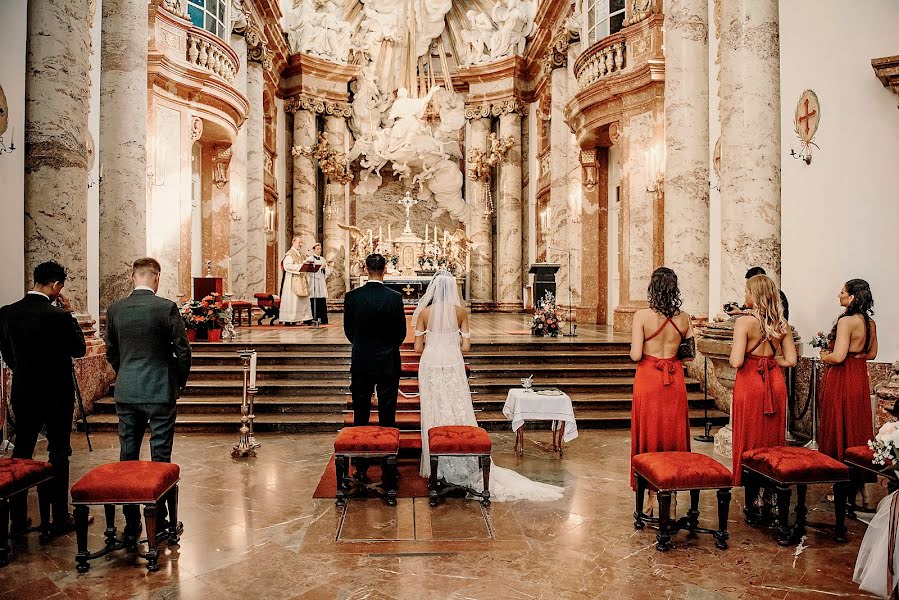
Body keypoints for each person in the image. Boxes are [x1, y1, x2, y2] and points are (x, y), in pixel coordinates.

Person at [413, 270, 564, 501]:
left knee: (434, 409)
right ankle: (461, 456)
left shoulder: (424, 312)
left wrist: (435, 343)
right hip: (453, 362)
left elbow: (417, 348)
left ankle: (437, 463)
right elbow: (466, 347)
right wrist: (451, 343)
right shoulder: (460, 312)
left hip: (431, 364)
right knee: (458, 407)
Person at [104, 258, 191, 543]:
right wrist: (177, 382)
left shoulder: (115, 309)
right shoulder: (166, 308)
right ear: (156, 278)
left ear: (133, 277)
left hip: (127, 391)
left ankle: (130, 524)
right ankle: (161, 521)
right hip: (160, 389)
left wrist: (125, 374)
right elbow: (183, 350)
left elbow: (111, 351)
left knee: (127, 454)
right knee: (160, 456)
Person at [0, 261, 86, 535]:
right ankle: (59, 518)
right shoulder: (59, 316)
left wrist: (25, 373)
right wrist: (70, 315)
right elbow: (79, 350)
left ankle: (17, 520)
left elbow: (7, 353)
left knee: (22, 451)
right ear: (56, 286)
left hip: (24, 392)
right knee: (58, 452)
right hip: (57, 394)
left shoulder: (8, 313)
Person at [629, 268, 692, 496]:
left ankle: (650, 494)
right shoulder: (684, 318)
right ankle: (672, 491)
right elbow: (689, 355)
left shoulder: (641, 316)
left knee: (649, 432)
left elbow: (636, 355)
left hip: (648, 379)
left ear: (652, 288)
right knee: (672, 433)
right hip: (675, 379)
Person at [730, 274, 797, 487]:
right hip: (774, 382)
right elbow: (791, 360)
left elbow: (736, 361)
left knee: (750, 434)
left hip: (750, 382)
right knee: (771, 437)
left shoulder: (744, 322)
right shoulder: (782, 324)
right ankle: (769, 485)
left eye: (748, 291)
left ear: (756, 296)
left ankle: (750, 484)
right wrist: (770, 360)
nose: (745, 295)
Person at [343, 254, 407, 429]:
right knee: (388, 405)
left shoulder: (352, 296)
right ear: (385, 270)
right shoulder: (394, 297)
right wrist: (388, 347)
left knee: (360, 405)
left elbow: (348, 330)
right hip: (388, 359)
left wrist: (362, 345)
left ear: (365, 269)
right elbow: (401, 332)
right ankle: (388, 446)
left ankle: (358, 445)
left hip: (361, 357)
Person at [819, 279, 877, 462]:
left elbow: (838, 356)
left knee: (838, 423)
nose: (839, 294)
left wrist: (824, 356)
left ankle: (839, 476)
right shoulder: (870, 323)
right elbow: (873, 354)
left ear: (851, 297)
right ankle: (860, 480)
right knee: (856, 423)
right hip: (858, 376)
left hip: (842, 376)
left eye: (842, 292)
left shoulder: (846, 322)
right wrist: (857, 357)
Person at [280, 236, 313, 325]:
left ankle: (305, 318)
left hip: (301, 279)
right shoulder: (289, 254)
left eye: (301, 243)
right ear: (293, 242)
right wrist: (301, 266)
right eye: (299, 242)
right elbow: (287, 266)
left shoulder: (301, 254)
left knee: (304, 299)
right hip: (292, 280)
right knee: (293, 299)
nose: (301, 244)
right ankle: (291, 318)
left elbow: (303, 264)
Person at [305, 242, 330, 325]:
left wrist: (324, 269)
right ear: (314, 250)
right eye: (318, 249)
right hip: (313, 281)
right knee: (313, 298)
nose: (319, 250)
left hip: (321, 280)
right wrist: (319, 269)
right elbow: (308, 271)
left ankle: (323, 318)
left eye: (320, 249)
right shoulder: (310, 259)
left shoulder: (323, 259)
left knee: (321, 298)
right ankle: (313, 317)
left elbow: (327, 271)